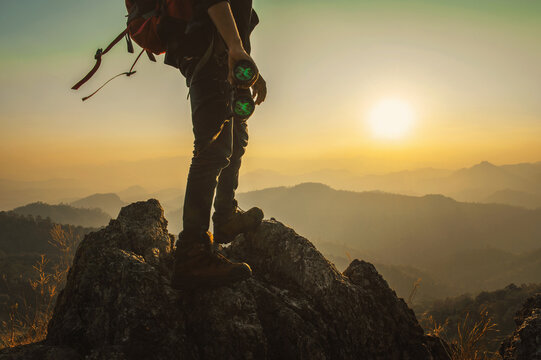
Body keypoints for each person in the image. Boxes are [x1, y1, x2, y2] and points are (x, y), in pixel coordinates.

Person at [164, 0, 267, 289]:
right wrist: (235, 47)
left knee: (236, 138)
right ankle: (192, 254)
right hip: (209, 52)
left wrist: (246, 62)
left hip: (225, 56)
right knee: (212, 149)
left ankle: (224, 216)